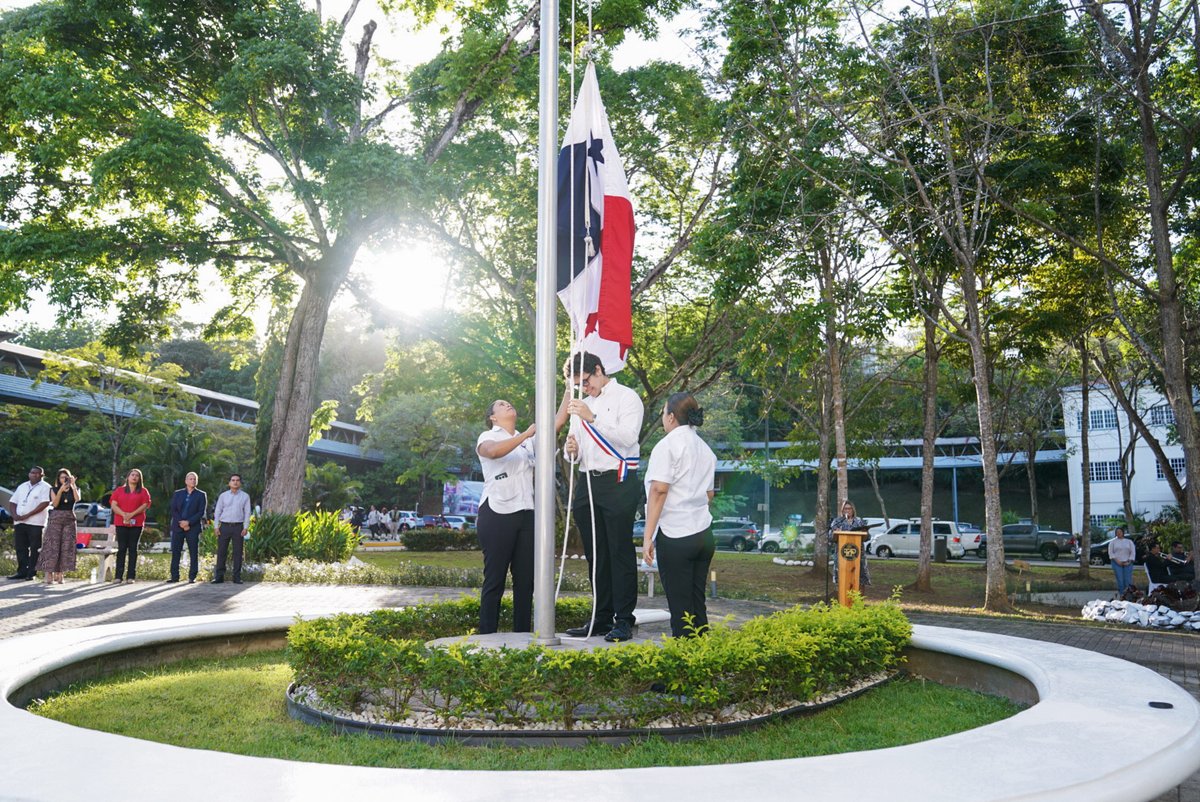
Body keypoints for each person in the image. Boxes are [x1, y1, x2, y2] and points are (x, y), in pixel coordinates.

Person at [562, 352, 645, 642]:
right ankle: (600, 616)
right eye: (578, 385)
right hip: (587, 481)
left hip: (618, 481)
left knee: (619, 552)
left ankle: (624, 620)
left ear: (598, 370)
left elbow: (629, 438)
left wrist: (592, 417)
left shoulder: (626, 397)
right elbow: (574, 449)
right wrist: (570, 449)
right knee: (595, 554)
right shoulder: (581, 404)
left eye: (586, 381)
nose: (584, 389)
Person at [640, 393, 717, 638]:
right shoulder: (705, 449)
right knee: (697, 604)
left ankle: (683, 665)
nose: (663, 418)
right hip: (703, 534)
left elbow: (659, 490)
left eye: (664, 413)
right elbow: (709, 494)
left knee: (680, 608)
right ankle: (703, 660)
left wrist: (648, 536)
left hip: (676, 535)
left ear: (671, 417)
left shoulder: (668, 445)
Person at [474, 400, 538, 634]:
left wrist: (568, 389)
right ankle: (487, 635)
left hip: (526, 513)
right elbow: (492, 452)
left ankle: (522, 636)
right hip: (497, 513)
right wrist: (528, 435)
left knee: (525, 581)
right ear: (493, 417)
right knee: (495, 579)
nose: (508, 404)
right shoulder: (487, 436)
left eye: (510, 403)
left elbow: (555, 425)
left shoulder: (527, 439)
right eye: (501, 405)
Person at [6, 466, 52, 581]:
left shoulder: (46, 487)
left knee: (35, 547)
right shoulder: (22, 486)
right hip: (19, 521)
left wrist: (28, 514)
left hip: (36, 523)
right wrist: (14, 515)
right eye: (33, 473)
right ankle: (22, 571)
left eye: (38, 473)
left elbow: (45, 503)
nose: (35, 475)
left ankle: (31, 573)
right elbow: (13, 502)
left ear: (42, 475)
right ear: (29, 474)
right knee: (21, 547)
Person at [35, 468, 79, 585]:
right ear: (58, 479)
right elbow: (54, 503)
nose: (64, 479)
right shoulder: (53, 489)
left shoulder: (75, 489)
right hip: (56, 518)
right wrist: (60, 490)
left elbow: (77, 499)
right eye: (62, 477)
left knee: (66, 546)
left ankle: (60, 574)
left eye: (66, 477)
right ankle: (49, 573)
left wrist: (73, 486)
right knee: (52, 546)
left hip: (69, 518)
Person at [109, 468, 151, 584]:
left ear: (139, 479)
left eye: (137, 475)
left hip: (136, 523)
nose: (134, 477)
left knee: (133, 549)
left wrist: (131, 515)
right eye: (132, 475)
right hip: (121, 523)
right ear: (128, 477)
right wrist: (124, 515)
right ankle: (118, 576)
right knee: (121, 549)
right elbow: (113, 504)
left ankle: (130, 576)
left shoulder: (143, 491)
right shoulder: (119, 490)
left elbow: (145, 504)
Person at [167, 472, 208, 584]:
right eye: (190, 479)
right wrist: (182, 523)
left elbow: (201, 512)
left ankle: (192, 577)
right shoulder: (178, 493)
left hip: (193, 528)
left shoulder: (201, 494)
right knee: (176, 552)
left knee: (193, 552)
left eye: (195, 479)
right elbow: (173, 510)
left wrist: (188, 522)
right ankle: (174, 577)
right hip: (178, 526)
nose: (193, 481)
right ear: (186, 481)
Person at [211, 474, 252, 584]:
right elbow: (218, 511)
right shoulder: (223, 496)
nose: (235, 482)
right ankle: (219, 577)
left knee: (238, 553)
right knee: (221, 552)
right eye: (233, 480)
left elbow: (247, 513)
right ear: (229, 483)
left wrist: (246, 527)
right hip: (224, 526)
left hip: (238, 527)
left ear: (240, 483)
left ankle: (237, 577)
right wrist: (216, 526)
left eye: (237, 480)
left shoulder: (245, 496)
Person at [828, 500, 871, 587]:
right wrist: (835, 533)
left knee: (860, 580)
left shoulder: (859, 521)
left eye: (849, 509)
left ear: (853, 510)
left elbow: (868, 537)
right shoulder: (837, 521)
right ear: (842, 510)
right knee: (842, 580)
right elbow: (830, 538)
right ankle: (842, 599)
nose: (847, 511)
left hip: (858, 555)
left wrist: (865, 532)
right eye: (845, 509)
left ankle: (858, 600)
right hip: (842, 555)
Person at [1108, 527, 1136, 595]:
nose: (1119, 533)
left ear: (1123, 532)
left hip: (1128, 563)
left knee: (1128, 580)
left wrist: (1129, 561)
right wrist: (1117, 561)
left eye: (1120, 532)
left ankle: (1129, 595)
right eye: (1117, 532)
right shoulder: (1113, 542)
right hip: (1117, 563)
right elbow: (1111, 553)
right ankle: (1122, 595)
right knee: (1120, 580)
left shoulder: (1129, 541)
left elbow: (1133, 552)